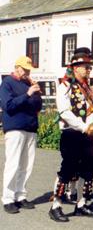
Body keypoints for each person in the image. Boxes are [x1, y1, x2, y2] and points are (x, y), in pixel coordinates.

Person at [49, 47, 93, 222]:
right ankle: (55, 206)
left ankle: (81, 204)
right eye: (86, 66)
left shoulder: (86, 87)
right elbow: (64, 112)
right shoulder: (65, 85)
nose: (89, 70)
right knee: (68, 169)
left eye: (89, 67)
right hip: (72, 133)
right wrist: (84, 127)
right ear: (75, 67)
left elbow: (92, 110)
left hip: (88, 134)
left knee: (88, 169)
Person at [0, 56, 42, 214]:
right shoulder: (7, 83)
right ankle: (8, 198)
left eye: (29, 69)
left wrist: (36, 92)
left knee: (26, 165)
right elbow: (8, 106)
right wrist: (28, 94)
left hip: (30, 127)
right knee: (13, 164)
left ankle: (20, 195)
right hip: (15, 128)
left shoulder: (28, 83)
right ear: (17, 67)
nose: (27, 72)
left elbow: (38, 105)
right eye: (25, 69)